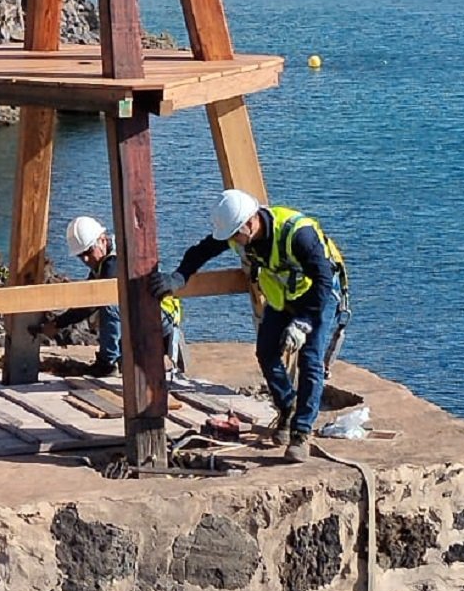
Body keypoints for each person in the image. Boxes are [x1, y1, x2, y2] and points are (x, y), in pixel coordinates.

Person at [150, 190, 350, 463]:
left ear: (251, 222)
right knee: (266, 352)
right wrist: (179, 277)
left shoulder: (297, 234)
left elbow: (324, 281)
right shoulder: (241, 236)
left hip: (317, 296)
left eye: (236, 235)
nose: (234, 242)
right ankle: (287, 406)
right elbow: (204, 249)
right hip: (282, 296)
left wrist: (303, 324)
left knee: (310, 361)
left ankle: (301, 433)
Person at [32, 215, 184, 377]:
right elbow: (87, 302)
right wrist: (58, 323)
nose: (85, 259)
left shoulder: (114, 264)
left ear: (102, 240)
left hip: (160, 320)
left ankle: (107, 363)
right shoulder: (104, 263)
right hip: (149, 319)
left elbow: (90, 304)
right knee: (111, 305)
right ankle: (121, 358)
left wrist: (57, 324)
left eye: (88, 252)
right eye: (80, 255)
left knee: (109, 303)